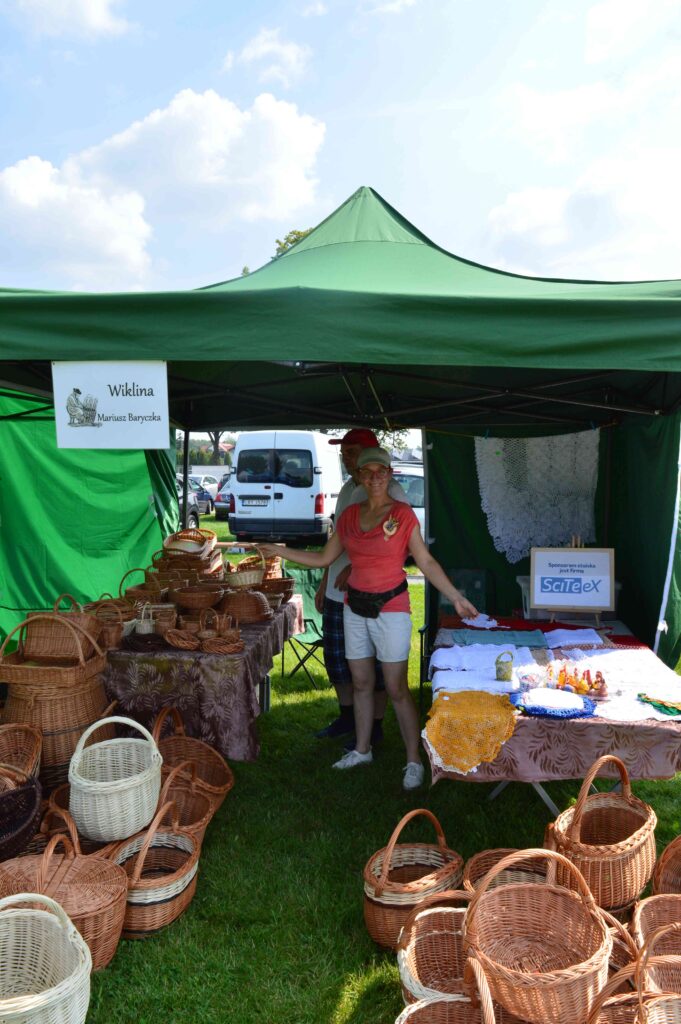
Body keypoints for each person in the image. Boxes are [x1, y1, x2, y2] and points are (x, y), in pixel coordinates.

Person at [260, 447, 478, 790]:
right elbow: (323, 559)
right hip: (354, 607)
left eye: (381, 472)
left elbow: (426, 562)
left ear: (390, 474)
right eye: (368, 472)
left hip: (391, 608)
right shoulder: (348, 517)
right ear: (359, 477)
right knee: (360, 682)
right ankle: (362, 750)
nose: (375, 478)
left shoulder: (404, 515)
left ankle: (413, 759)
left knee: (395, 687)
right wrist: (279, 550)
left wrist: (456, 597)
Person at [314, 428, 409, 747]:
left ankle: (375, 725)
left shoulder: (393, 492)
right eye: (344, 453)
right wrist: (326, 578)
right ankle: (347, 718)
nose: (346, 457)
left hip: (371, 594)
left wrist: (356, 565)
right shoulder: (346, 490)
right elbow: (336, 539)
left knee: (376, 665)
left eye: (352, 451)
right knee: (338, 659)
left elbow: (399, 544)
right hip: (336, 592)